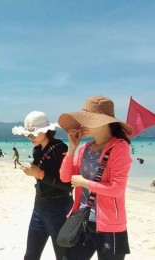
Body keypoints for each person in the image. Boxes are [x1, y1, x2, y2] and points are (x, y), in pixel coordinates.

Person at [58, 96, 132, 260]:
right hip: (83, 219)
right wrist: (72, 149)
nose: (82, 125)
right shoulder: (85, 148)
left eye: (88, 120)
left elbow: (116, 189)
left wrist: (83, 182)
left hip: (110, 226)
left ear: (105, 122)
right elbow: (65, 177)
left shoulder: (120, 148)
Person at [12, 111, 73, 260]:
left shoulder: (61, 149)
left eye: (33, 134)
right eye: (28, 135)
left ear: (45, 131)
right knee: (31, 255)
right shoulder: (37, 149)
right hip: (39, 207)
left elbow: (68, 186)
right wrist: (35, 174)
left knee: (63, 256)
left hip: (59, 209)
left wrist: (40, 175)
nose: (30, 138)